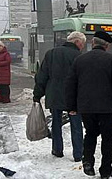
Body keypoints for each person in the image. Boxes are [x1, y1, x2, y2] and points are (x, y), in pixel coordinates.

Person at [65, 30, 112, 179]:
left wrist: (72, 106)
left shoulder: (80, 60)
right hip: (106, 107)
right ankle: (105, 170)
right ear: (107, 46)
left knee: (90, 134)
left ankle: (87, 161)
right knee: (107, 138)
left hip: (85, 106)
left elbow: (70, 85)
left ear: (92, 43)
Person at [33, 31, 85, 161]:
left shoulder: (51, 53)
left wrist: (37, 94)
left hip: (54, 94)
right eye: (82, 44)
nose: (82, 47)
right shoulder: (78, 56)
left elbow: (42, 76)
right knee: (76, 125)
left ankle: (57, 150)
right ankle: (78, 154)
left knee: (56, 123)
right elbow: (83, 79)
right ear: (77, 42)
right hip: (73, 97)